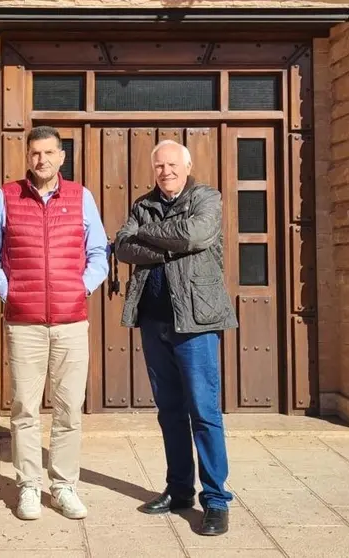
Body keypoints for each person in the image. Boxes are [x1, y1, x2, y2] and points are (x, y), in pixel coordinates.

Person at [0, 125, 108, 521]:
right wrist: (10, 292)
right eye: (36, 154)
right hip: (24, 323)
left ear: (61, 157)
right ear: (28, 157)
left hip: (71, 322)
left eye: (49, 153)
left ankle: (64, 485)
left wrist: (79, 289)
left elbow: (99, 251)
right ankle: (29, 486)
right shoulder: (6, 197)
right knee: (24, 409)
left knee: (69, 408)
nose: (42, 160)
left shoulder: (81, 197)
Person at [114, 139, 238, 536]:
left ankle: (216, 499)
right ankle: (180, 489)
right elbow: (123, 246)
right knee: (169, 411)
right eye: (159, 166)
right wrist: (165, 244)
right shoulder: (143, 203)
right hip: (154, 321)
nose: (165, 172)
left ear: (187, 166)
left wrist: (150, 238)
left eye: (172, 165)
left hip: (196, 321)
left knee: (203, 411)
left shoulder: (207, 198)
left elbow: (195, 235)